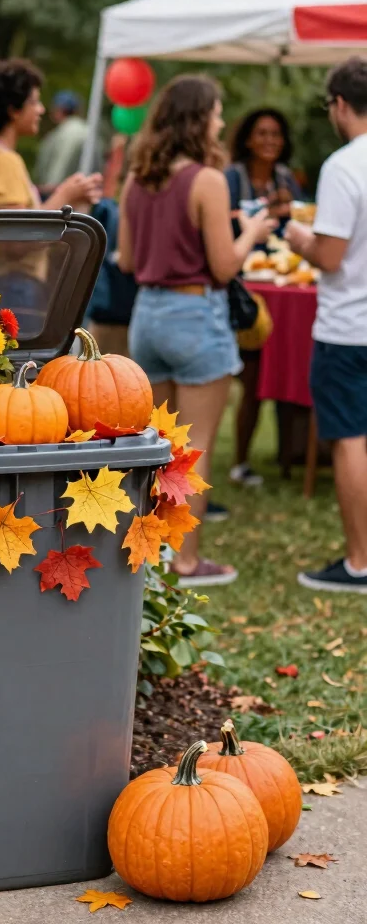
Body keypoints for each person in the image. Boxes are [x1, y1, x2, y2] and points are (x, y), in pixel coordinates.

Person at [117, 74, 276, 587]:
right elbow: (225, 266)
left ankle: (154, 555)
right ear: (198, 119)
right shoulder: (207, 180)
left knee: (158, 443)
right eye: (217, 112)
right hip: (194, 314)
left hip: (147, 315)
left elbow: (127, 260)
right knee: (194, 446)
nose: (222, 122)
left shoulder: (136, 179)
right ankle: (185, 561)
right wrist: (252, 232)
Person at [285, 57, 367, 594]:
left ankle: (360, 563)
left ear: (340, 104)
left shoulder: (343, 165)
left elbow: (331, 255)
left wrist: (299, 240)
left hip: (349, 327)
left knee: (350, 440)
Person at [225, 108, 303, 489]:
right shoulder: (232, 177)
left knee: (288, 368)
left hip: (283, 288)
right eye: (262, 133)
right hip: (244, 293)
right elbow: (218, 221)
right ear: (248, 138)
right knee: (253, 379)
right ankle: (240, 461)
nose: (270, 140)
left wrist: (289, 212)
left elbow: (300, 228)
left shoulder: (286, 179)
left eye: (276, 134)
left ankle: (289, 457)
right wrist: (259, 213)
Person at [0, 59, 101, 210]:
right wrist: (66, 196)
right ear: (13, 110)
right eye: (34, 102)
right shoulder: (4, 162)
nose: (41, 110)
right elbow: (19, 224)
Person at [35, 90, 90, 195]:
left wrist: (48, 188)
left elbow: (59, 168)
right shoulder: (89, 131)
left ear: (58, 110)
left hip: (62, 195)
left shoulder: (61, 134)